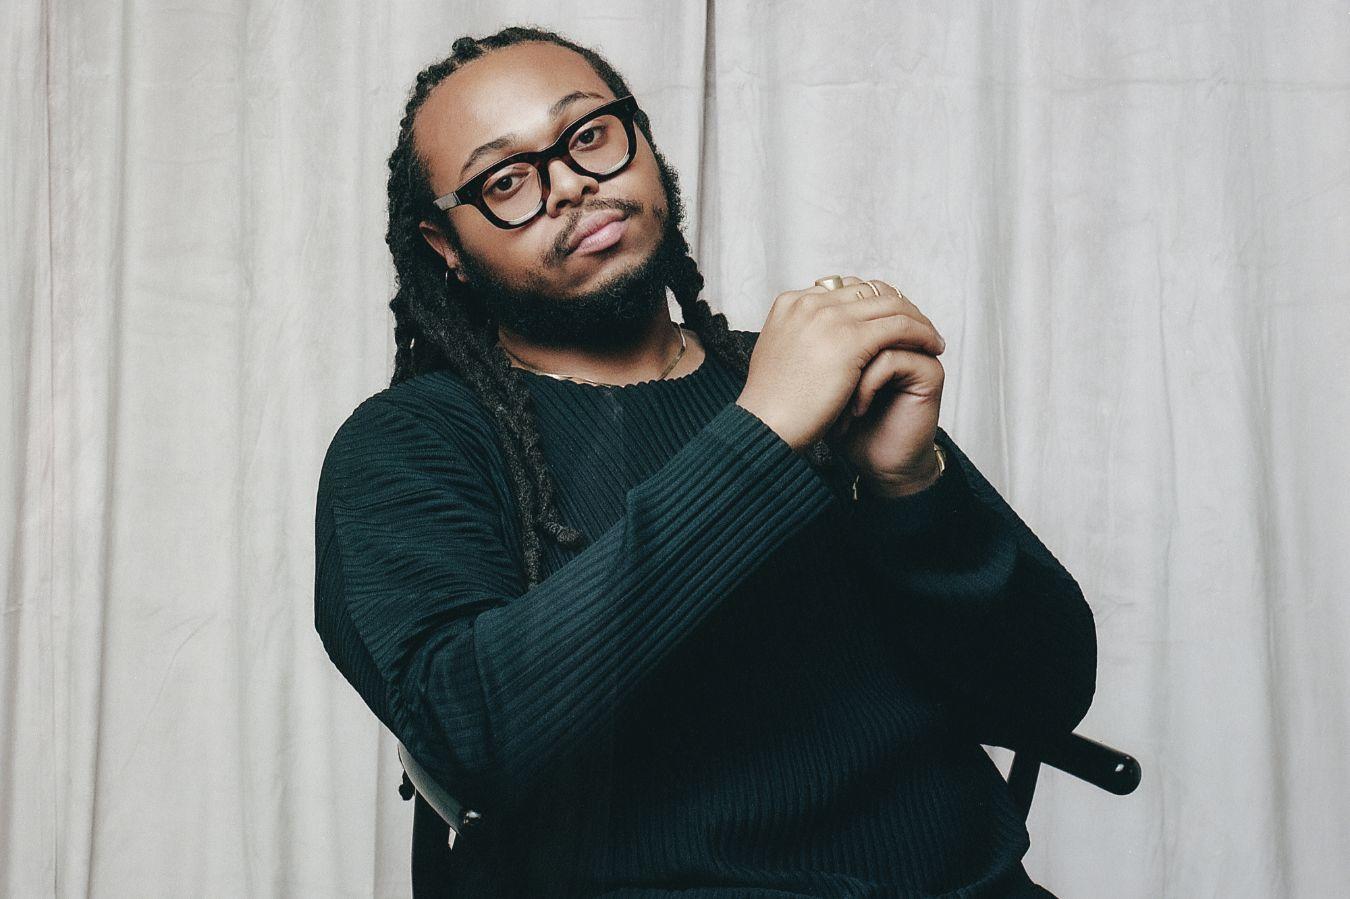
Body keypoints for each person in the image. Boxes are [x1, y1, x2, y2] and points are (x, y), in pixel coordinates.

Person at [313, 24, 1096, 898]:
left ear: (641, 140)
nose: (571, 183)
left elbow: (1047, 694)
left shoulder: (799, 380)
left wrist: (910, 488)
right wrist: (763, 434)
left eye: (591, 136)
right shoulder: (412, 443)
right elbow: (467, 734)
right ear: (445, 248)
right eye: (507, 181)